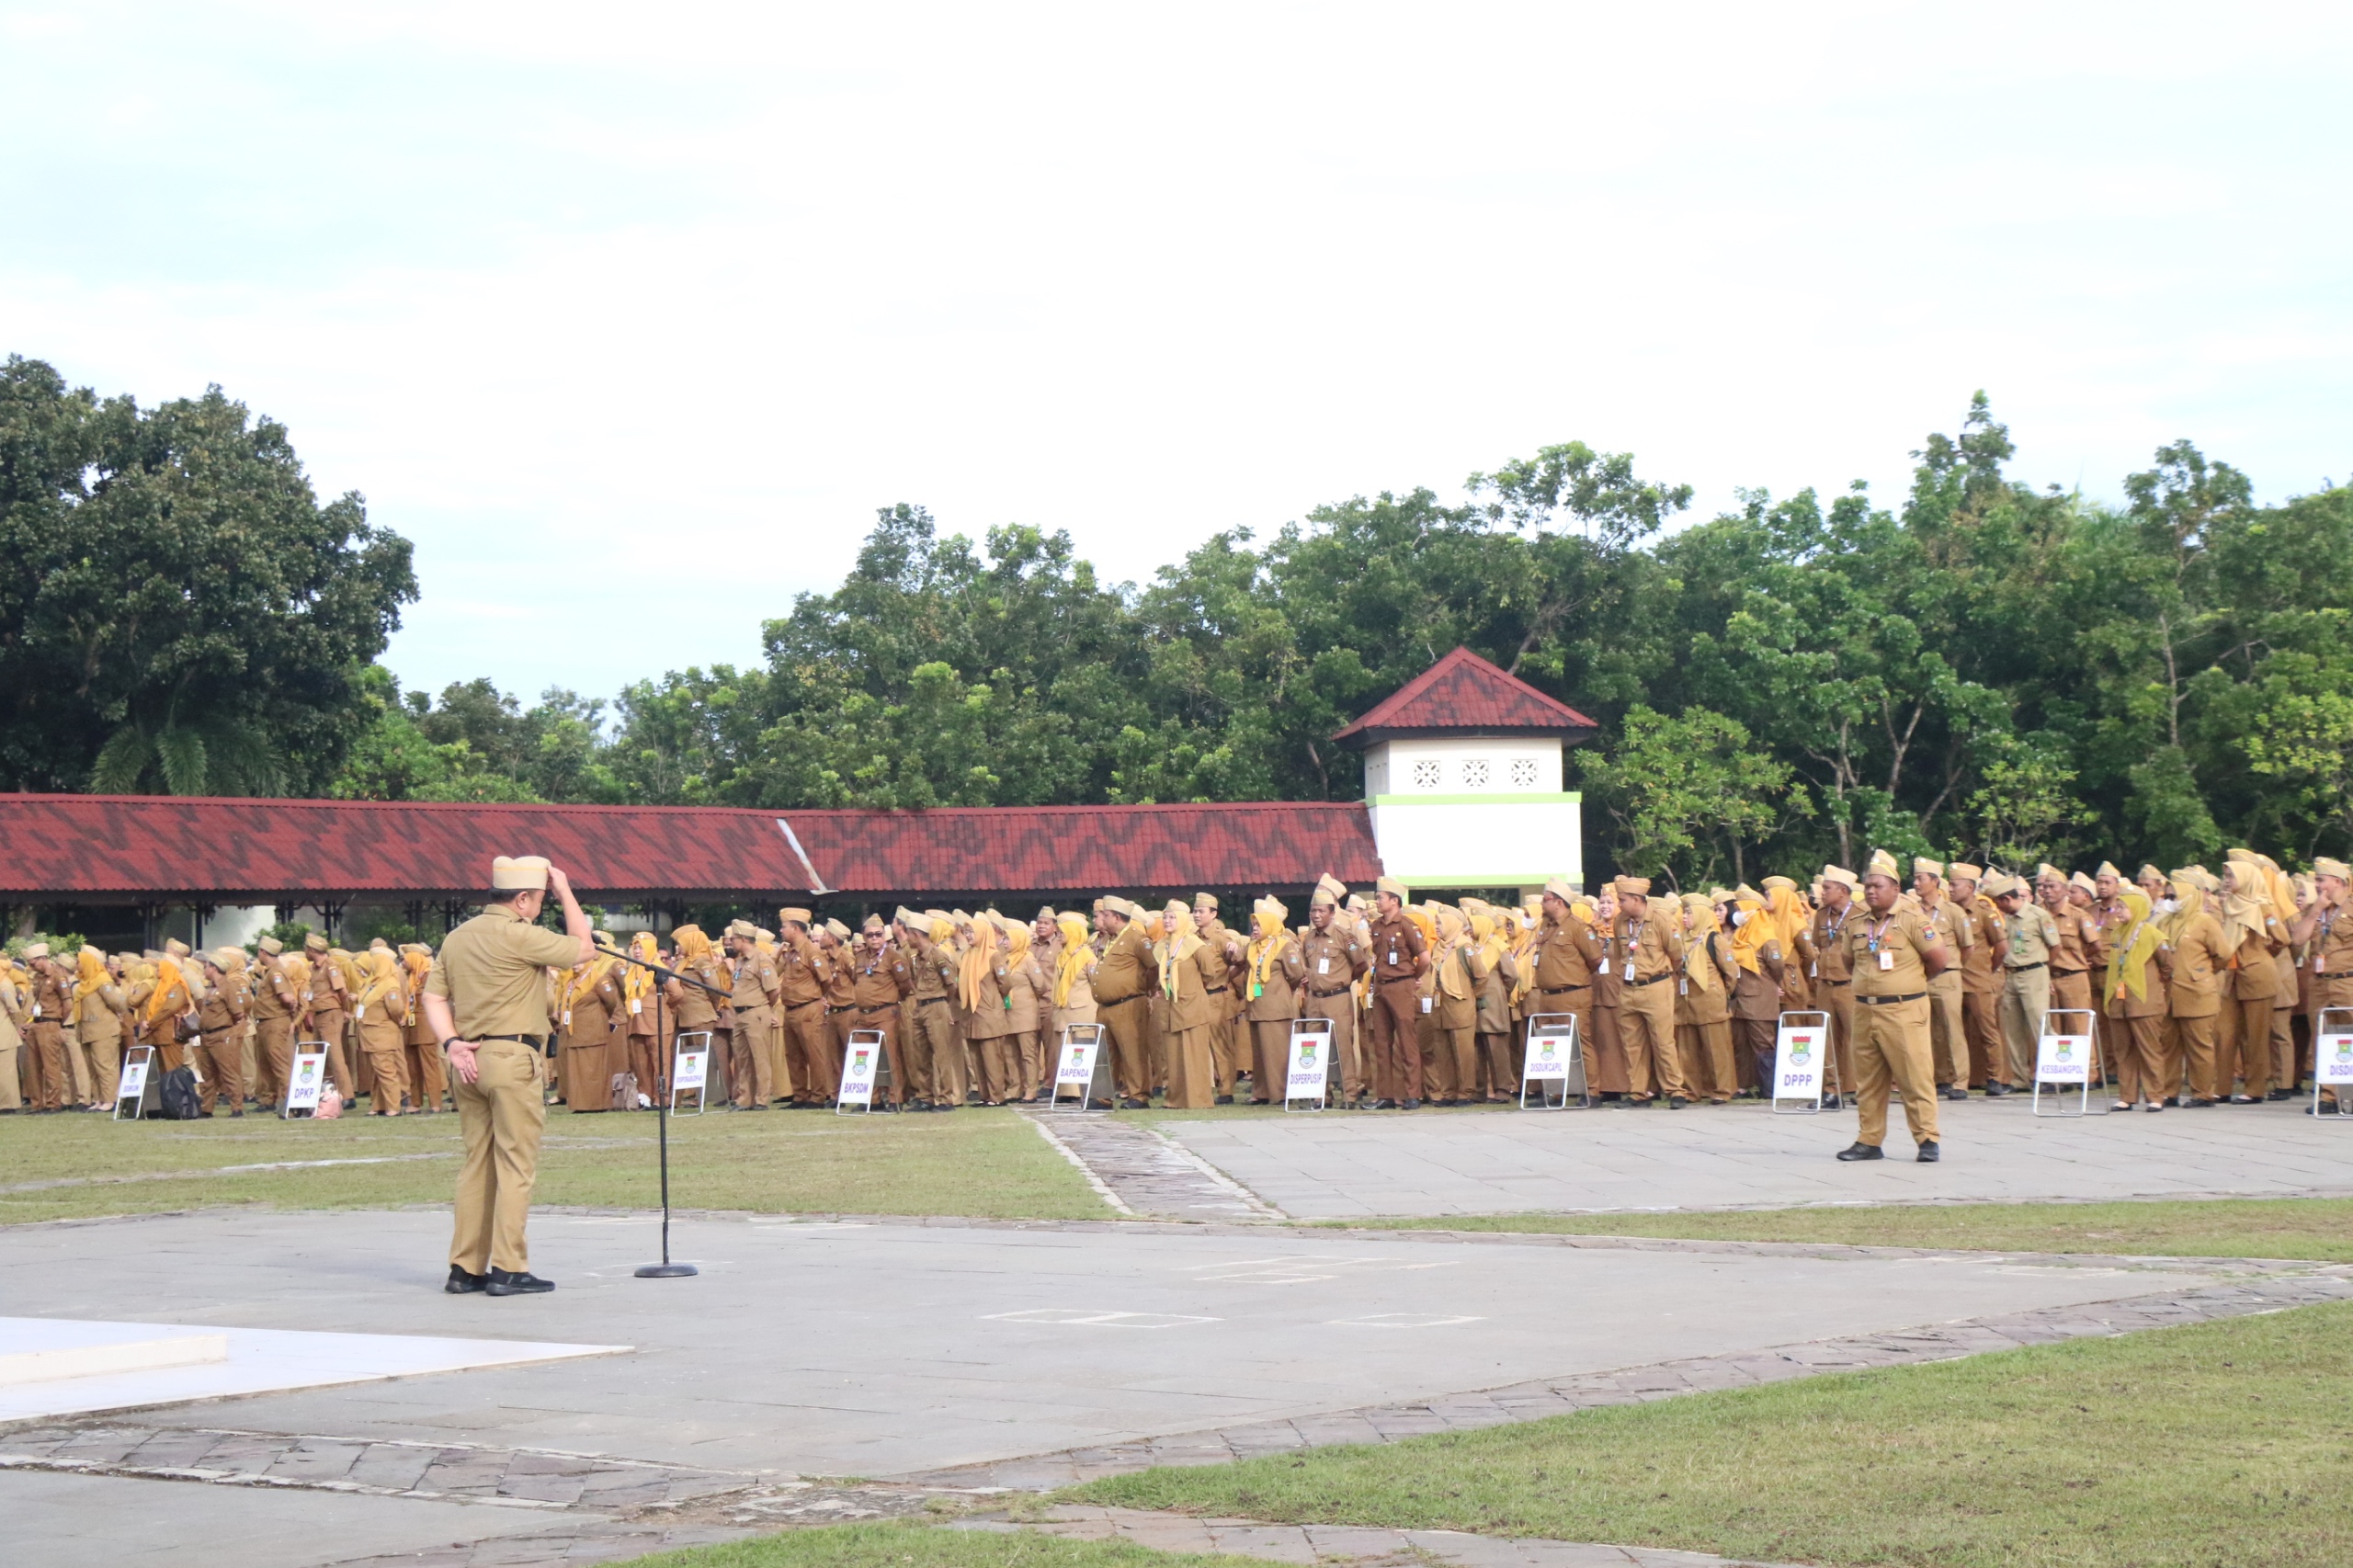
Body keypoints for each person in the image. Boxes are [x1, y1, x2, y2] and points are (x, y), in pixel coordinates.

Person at [420, 854, 595, 1297]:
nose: (540, 907)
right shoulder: (522, 935)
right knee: (516, 1164)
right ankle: (508, 1268)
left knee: (476, 1164)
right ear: (522, 899)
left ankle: (465, 1268)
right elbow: (584, 948)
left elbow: (433, 998)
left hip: (468, 1058)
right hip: (513, 1057)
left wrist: (450, 1043)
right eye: (538, 899)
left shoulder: (457, 937)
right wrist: (566, 891)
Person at [1836, 849, 1948, 1162]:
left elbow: (1938, 960)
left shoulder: (1913, 919)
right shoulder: (1857, 921)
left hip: (1903, 1009)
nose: (1870, 891)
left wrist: (1906, 983)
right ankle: (1869, 1140)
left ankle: (1927, 1139)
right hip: (1865, 1009)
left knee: (1915, 1076)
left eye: (1878, 886)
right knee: (1868, 1080)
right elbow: (1848, 962)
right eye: (1868, 886)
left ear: (1896, 889)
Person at [1615, 877, 1691, 1107]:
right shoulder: (1620, 921)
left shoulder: (1661, 919)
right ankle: (1638, 1093)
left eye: (1622, 900)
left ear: (1637, 900)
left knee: (1663, 1042)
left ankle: (1675, 1091)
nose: (1619, 904)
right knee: (1631, 1045)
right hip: (1628, 989)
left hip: (1656, 986)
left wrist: (1661, 976)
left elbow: (1677, 955)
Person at [2216, 853, 2285, 1102]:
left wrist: (2262, 954)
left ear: (2246, 877)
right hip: (2233, 976)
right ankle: (2222, 1088)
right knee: (2224, 1033)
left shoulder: (2262, 906)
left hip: (2257, 976)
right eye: (2225, 875)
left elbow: (2283, 937)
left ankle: (2255, 1089)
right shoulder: (2230, 903)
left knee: (2256, 1037)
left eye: (2231, 875)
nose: (2226, 880)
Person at [1295, 877, 1367, 1108]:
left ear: (1332, 912)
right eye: (1313, 910)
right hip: (1315, 999)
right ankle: (1321, 1095)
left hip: (1338, 997)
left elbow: (1362, 964)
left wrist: (1345, 980)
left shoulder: (1344, 937)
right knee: (1313, 1046)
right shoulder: (1308, 938)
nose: (1315, 915)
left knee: (1342, 1046)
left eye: (1320, 911)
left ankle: (1350, 1095)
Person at [2164, 867, 2232, 1107]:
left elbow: (2223, 954)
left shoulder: (2205, 921)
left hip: (2196, 992)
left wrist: (2201, 972)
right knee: (2169, 1046)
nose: (2170, 902)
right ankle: (2168, 1092)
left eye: (2174, 897)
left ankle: (2203, 1093)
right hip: (2170, 993)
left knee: (2199, 1046)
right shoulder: (2167, 920)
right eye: (2168, 897)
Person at [1989, 873, 2060, 1092]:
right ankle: (2020, 1079)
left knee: (2040, 1025)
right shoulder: (2008, 918)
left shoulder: (2038, 915)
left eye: (1999, 903)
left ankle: (2052, 1076)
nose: (1999, 909)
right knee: (2013, 1029)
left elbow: (2055, 946)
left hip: (2034, 973)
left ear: (2007, 899)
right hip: (2011, 975)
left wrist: (2044, 969)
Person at [2103, 887, 2172, 1110]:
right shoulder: (2116, 935)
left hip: (2144, 1001)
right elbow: (2114, 958)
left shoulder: (2153, 935)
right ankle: (2127, 1096)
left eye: (2122, 907)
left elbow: (2168, 964)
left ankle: (2155, 1096)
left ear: (2136, 908)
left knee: (2149, 1050)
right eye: (2117, 907)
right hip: (2119, 1000)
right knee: (2123, 1051)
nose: (2118, 911)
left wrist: (2155, 984)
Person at [1364, 876, 1429, 1108]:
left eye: (1380, 898)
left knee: (1406, 1041)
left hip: (1401, 985)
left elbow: (1424, 958)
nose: (1377, 902)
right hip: (1381, 985)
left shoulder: (1407, 925)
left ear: (1394, 901)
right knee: (1381, 1043)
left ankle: (1412, 1093)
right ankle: (1386, 1095)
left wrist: (1413, 978)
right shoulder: (1376, 926)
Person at [1154, 901, 1227, 1108]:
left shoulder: (1195, 944)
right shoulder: (1163, 945)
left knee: (1193, 1054)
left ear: (1183, 920)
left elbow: (1209, 972)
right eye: (1165, 917)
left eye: (1172, 917)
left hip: (1192, 1006)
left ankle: (1197, 1099)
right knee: (1173, 1056)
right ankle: (1174, 1099)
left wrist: (1191, 988)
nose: (1167, 921)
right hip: (1170, 1007)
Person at [1091, 898, 1154, 1108]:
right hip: (1105, 1007)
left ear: (1117, 917)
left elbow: (1153, 967)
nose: (1101, 918)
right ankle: (1103, 1096)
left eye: (1105, 915)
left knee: (1132, 1051)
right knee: (1106, 1053)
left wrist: (1144, 989)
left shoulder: (1137, 939)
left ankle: (1139, 1095)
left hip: (1128, 1004)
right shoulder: (1108, 939)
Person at [1242, 896, 1305, 1104]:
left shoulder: (1284, 945)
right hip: (1256, 1005)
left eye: (1259, 924)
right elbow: (1238, 962)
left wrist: (1283, 991)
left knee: (1276, 1052)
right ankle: (1261, 1092)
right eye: (1254, 924)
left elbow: (1296, 973)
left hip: (1276, 1007)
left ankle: (1280, 1093)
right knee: (1260, 1055)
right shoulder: (1253, 946)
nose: (1255, 928)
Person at [847, 915, 914, 1108]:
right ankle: (872, 1099)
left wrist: (890, 1001)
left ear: (884, 936)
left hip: (886, 1013)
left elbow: (906, 985)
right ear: (864, 937)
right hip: (864, 1014)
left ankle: (895, 1098)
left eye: (878, 934)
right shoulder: (860, 957)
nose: (874, 938)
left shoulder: (894, 958)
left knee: (891, 1057)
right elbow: (856, 981)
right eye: (870, 935)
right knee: (866, 1057)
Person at [724, 920, 780, 1109]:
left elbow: (773, 990)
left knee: (760, 1057)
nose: (730, 942)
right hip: (739, 1015)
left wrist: (763, 1008)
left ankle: (761, 1099)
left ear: (743, 939)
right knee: (742, 1059)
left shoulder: (762, 959)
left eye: (733, 938)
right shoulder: (740, 960)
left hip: (756, 1012)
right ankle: (744, 1099)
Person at [352, 946, 410, 1117]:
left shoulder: (390, 985)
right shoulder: (374, 983)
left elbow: (396, 1009)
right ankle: (378, 1106)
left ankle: (394, 1107)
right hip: (370, 1035)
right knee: (377, 1073)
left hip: (382, 1034)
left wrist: (393, 1023)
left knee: (386, 1071)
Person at [193, 949, 250, 1116]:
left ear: (214, 968)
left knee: (229, 1071)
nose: (204, 969)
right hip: (207, 1036)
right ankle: (207, 1108)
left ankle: (237, 1107)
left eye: (207, 966)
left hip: (222, 1035)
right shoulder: (210, 988)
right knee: (207, 1075)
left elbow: (238, 1013)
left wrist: (227, 1028)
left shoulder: (228, 988)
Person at [400, 943, 448, 1113]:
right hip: (411, 1027)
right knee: (412, 1067)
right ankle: (415, 1102)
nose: (402, 963)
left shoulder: (429, 976)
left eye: (404, 959)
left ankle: (435, 1103)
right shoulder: (410, 978)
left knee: (429, 1066)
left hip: (426, 1026)